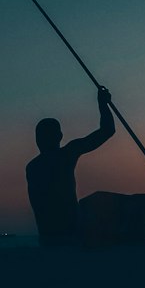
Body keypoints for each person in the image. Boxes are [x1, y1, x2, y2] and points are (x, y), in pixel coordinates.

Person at [26, 86, 116, 245]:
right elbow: (107, 130)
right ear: (60, 136)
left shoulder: (32, 167)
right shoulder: (66, 154)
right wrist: (103, 104)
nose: (41, 139)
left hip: (47, 237)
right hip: (69, 234)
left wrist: (103, 103)